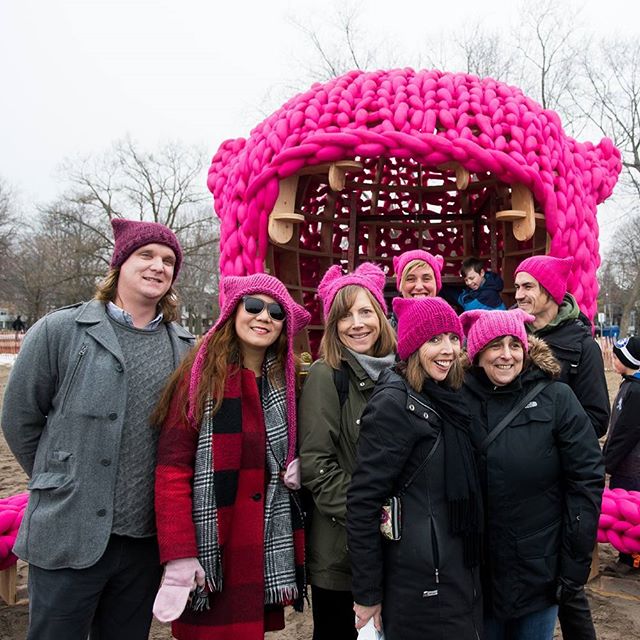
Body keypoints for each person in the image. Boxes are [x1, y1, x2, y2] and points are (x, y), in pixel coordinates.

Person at [1, 218, 194, 640]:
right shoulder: (60, 331)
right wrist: (60, 477)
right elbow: (20, 418)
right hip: (67, 533)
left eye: (168, 261)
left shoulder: (184, 349)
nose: (158, 267)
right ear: (119, 264)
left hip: (143, 541)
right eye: (146, 255)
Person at [152, 273, 310, 640]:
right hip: (214, 547)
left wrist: (297, 463)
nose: (264, 317)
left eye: (276, 312)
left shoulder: (286, 383)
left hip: (263, 544)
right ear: (232, 312)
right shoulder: (200, 376)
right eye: (253, 306)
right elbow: (172, 469)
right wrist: (179, 552)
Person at [461, 308, 604, 640]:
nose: (507, 355)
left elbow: (587, 479)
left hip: (539, 571)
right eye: (496, 345)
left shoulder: (556, 398)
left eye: (515, 344)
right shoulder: (456, 400)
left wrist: (573, 564)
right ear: (478, 352)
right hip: (476, 575)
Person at [347, 296, 483, 640]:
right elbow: (363, 503)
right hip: (419, 580)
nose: (448, 349)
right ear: (412, 347)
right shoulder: (394, 403)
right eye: (434, 340)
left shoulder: (450, 396)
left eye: (453, 338)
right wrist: (367, 595)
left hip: (457, 570)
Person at [298, 262, 397, 640]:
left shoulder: (400, 372)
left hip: (394, 551)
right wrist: (375, 516)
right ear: (333, 326)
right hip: (343, 553)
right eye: (344, 316)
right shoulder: (328, 375)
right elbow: (317, 467)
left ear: (381, 316)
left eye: (365, 311)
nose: (357, 323)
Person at [514, 254, 608, 640]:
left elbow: (597, 416)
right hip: (518, 476)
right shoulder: (510, 334)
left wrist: (549, 438)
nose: (518, 294)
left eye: (527, 287)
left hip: (561, 480)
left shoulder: (580, 345)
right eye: (517, 286)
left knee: (567, 587)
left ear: (551, 292)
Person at [603, 336, 640, 574]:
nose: (613, 361)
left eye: (616, 358)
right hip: (624, 462)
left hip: (631, 465)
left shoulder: (636, 390)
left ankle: (630, 559)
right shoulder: (628, 384)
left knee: (630, 510)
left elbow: (627, 433)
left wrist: (607, 461)